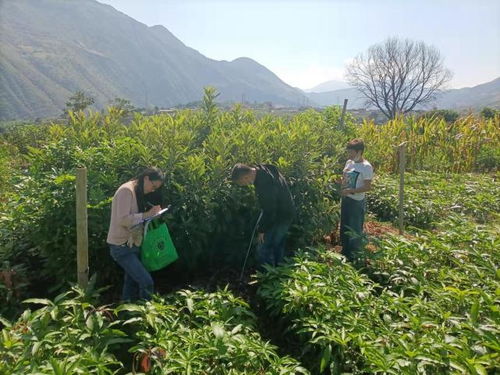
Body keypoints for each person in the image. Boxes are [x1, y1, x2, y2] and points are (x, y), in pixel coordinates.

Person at [107, 167, 165, 301]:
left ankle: (126, 315)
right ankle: (146, 316)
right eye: (153, 185)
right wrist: (147, 214)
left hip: (132, 243)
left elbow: (137, 218)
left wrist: (153, 215)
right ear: (146, 178)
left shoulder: (137, 191)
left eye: (156, 188)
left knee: (131, 283)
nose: (153, 190)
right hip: (121, 246)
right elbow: (123, 219)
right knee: (146, 281)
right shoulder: (126, 191)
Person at [231, 163, 295, 268]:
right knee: (278, 244)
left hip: (281, 215)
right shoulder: (263, 169)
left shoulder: (265, 185)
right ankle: (279, 274)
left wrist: (262, 230)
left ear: (246, 177)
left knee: (264, 248)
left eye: (242, 183)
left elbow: (270, 211)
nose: (245, 185)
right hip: (286, 211)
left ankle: (268, 276)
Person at [340, 139, 373, 261]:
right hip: (346, 199)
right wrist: (340, 181)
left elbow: (367, 187)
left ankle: (354, 256)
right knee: (344, 225)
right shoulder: (349, 162)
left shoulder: (366, 167)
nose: (350, 155)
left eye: (352, 152)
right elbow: (346, 178)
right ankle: (345, 251)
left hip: (356, 201)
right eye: (348, 152)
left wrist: (349, 191)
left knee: (354, 228)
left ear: (360, 151)